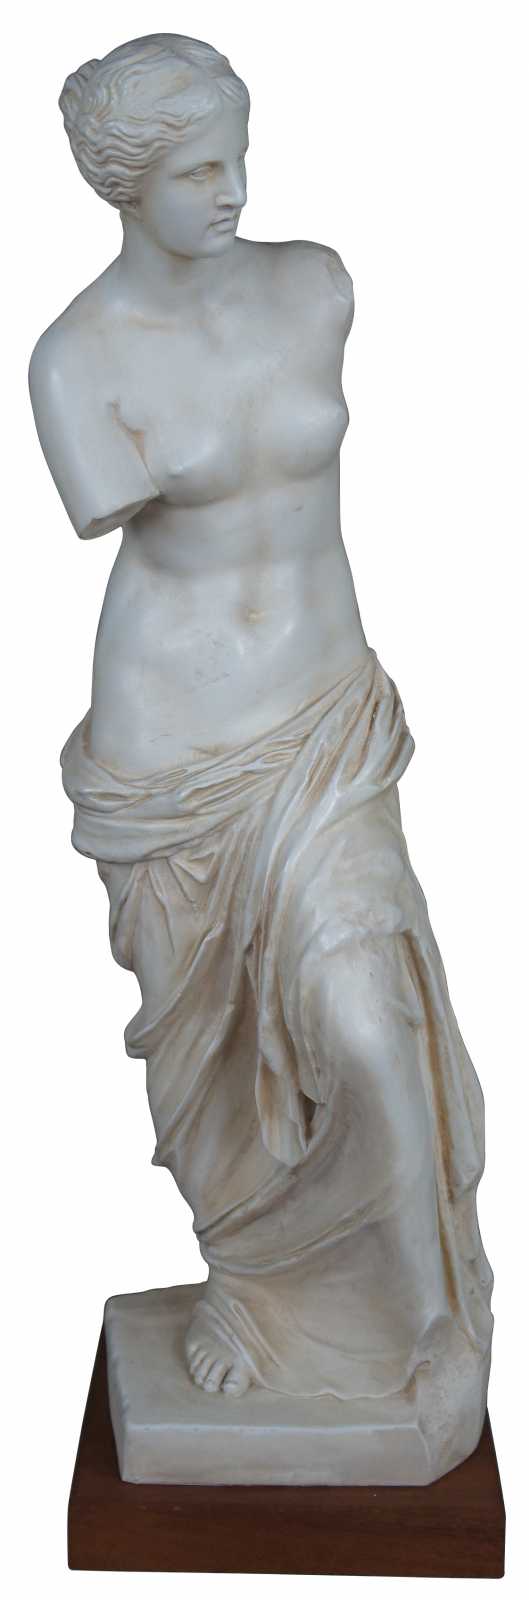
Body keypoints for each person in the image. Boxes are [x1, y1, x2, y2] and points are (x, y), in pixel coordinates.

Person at [29, 33, 492, 1471]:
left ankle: (432, 1321)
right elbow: (110, 514)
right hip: (174, 758)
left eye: (238, 157)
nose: (231, 190)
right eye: (196, 171)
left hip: (317, 722)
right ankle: (252, 1285)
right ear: (125, 184)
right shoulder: (75, 361)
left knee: (366, 1015)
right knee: (221, 1068)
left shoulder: (315, 285)